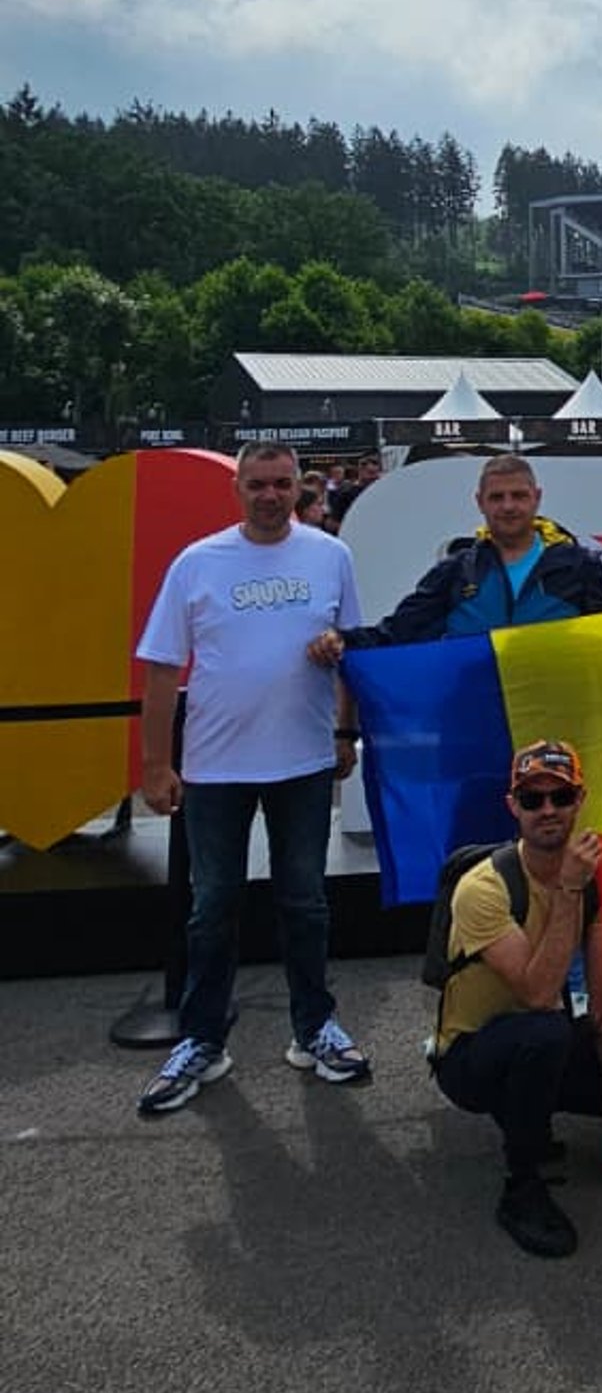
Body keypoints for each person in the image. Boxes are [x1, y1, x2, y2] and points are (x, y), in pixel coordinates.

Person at [134, 442, 372, 1117]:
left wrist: (344, 732)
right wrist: (156, 762)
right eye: (258, 483)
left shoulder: (331, 555)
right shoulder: (197, 562)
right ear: (236, 487)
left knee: (305, 902)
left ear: (300, 487)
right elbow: (159, 667)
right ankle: (203, 1038)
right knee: (212, 908)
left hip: (302, 761)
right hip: (215, 767)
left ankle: (314, 1029)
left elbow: (350, 649)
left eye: (282, 483)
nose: (270, 494)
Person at [429, 740, 602, 1256]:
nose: (548, 810)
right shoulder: (482, 887)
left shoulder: (596, 873)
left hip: (544, 1032)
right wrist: (569, 891)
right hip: (471, 1057)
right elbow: (536, 993)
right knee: (544, 1031)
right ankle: (522, 1183)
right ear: (513, 807)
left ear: (580, 800)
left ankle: (537, 1116)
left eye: (561, 797)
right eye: (533, 800)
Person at [312, 455, 602, 657]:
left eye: (519, 496)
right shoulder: (457, 571)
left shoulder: (579, 566)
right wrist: (344, 641)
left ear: (536, 498)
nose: (509, 506)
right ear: (480, 502)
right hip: (474, 719)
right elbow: (399, 631)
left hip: (557, 721)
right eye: (497, 497)